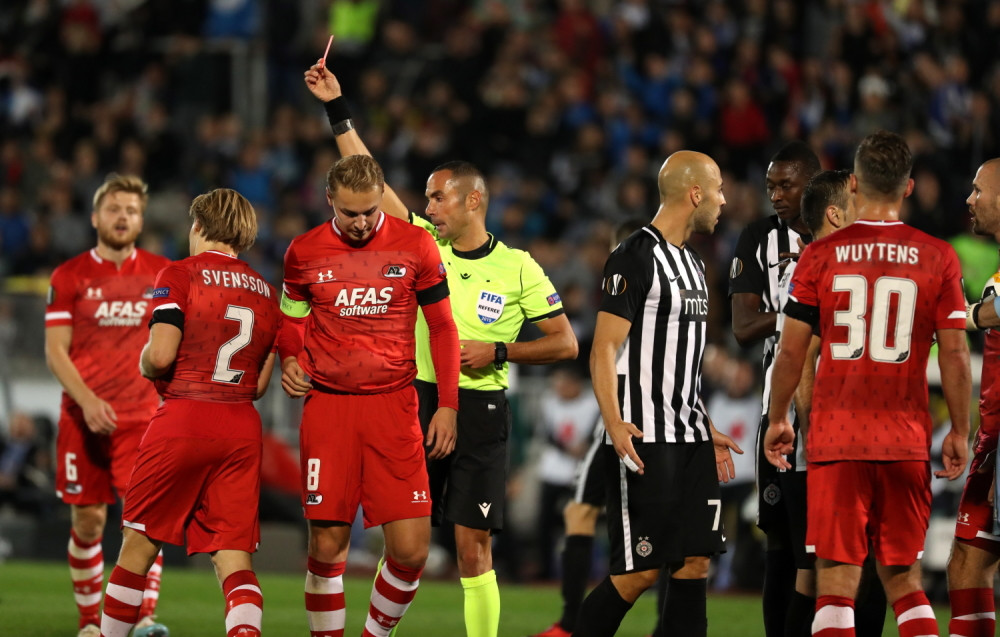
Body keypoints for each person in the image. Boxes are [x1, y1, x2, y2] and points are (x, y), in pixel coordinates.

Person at [304, 61, 578, 637]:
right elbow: (371, 180)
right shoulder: (423, 243)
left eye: (438, 198)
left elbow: (565, 343)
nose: (427, 208)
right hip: (415, 400)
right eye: (426, 199)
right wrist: (336, 108)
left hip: (479, 409)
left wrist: (499, 352)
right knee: (405, 541)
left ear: (473, 200)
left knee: (473, 547)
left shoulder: (519, 267)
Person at [764, 130, 971, 637]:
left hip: (837, 440)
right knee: (905, 582)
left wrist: (778, 417)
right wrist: (960, 430)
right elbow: (956, 354)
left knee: (835, 585)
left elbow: (792, 351)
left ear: (853, 184)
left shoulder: (819, 255)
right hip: (905, 440)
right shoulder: (939, 256)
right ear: (908, 187)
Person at [278, 153, 461, 637]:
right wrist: (289, 358)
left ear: (382, 197)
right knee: (327, 548)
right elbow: (291, 321)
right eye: (349, 213)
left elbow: (443, 328)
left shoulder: (417, 245)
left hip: (395, 407)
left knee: (411, 552)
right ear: (329, 200)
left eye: (370, 211)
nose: (361, 223)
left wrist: (447, 405)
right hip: (329, 407)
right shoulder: (303, 252)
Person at [571, 150, 741, 637]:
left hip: (689, 436)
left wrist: (703, 423)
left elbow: (680, 361)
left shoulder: (693, 264)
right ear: (695, 193)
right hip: (645, 437)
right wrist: (614, 422)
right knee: (638, 573)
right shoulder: (635, 255)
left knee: (695, 563)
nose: (724, 201)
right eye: (718, 190)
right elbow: (604, 348)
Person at [98, 188, 280, 637]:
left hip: (185, 417)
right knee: (234, 558)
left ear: (198, 225)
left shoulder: (178, 274)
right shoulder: (267, 293)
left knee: (138, 547)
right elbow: (258, 386)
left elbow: (161, 356)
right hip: (241, 427)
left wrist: (144, 362)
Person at [530, 217, 672, 637]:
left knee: (582, 514)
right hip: (667, 422)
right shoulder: (671, 288)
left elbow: (603, 352)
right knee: (673, 535)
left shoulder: (624, 281)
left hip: (620, 420)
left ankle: (571, 623)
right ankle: (665, 627)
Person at [44, 174, 171, 637]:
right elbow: (55, 350)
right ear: (96, 217)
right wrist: (88, 401)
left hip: (144, 420)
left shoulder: (162, 274)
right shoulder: (69, 275)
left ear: (141, 220)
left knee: (143, 523)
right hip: (83, 418)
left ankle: (144, 618)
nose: (123, 217)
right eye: (114, 209)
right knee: (89, 519)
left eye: (132, 210)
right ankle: (88, 622)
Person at [728, 141, 821, 637]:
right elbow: (743, 326)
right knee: (781, 545)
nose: (777, 195)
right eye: (770, 186)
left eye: (787, 185)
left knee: (830, 553)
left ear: (814, 183)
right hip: (779, 409)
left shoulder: (844, 240)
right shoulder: (758, 237)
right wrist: (799, 306)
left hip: (832, 411)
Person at [946, 157, 1000, 637]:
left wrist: (958, 316)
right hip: (994, 439)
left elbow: (996, 310)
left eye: (979, 190)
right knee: (967, 561)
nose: (970, 199)